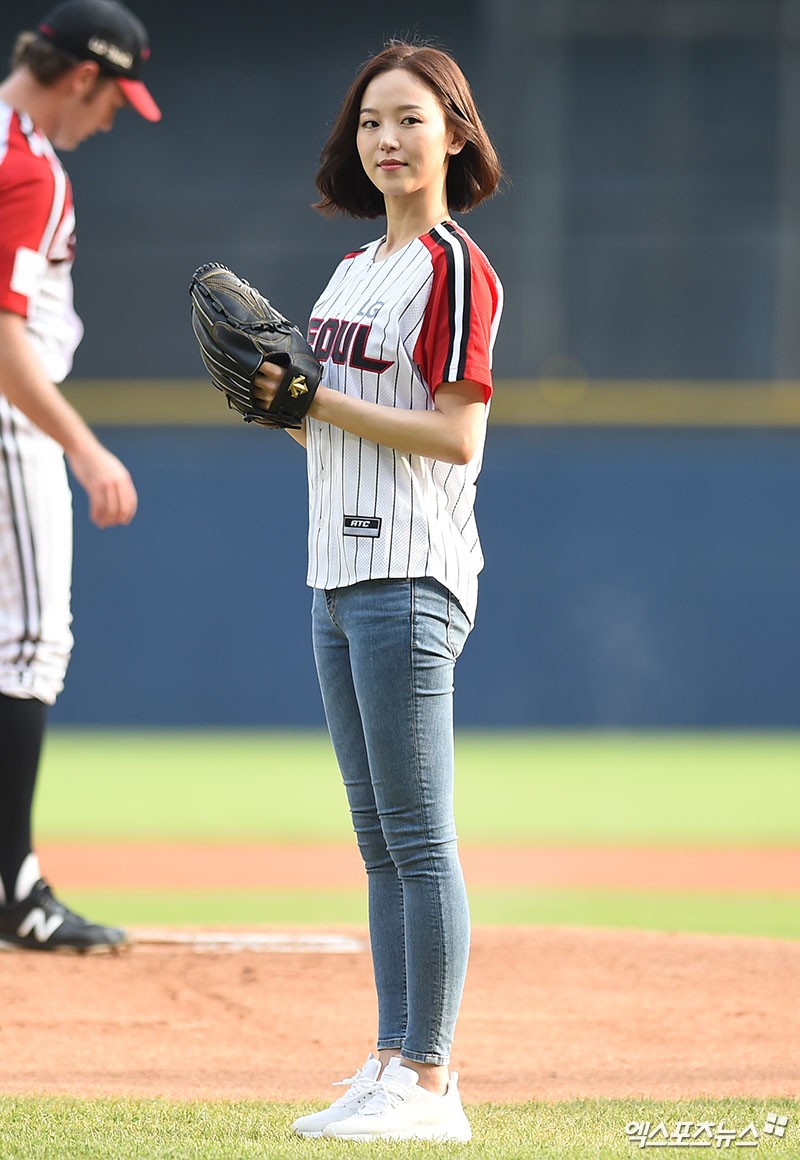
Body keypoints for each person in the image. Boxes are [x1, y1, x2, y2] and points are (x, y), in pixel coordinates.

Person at [256, 41, 503, 1142]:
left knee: (418, 834)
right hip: (334, 568)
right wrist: (278, 402)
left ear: (453, 133)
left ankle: (433, 1082)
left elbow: (455, 436)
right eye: (369, 122)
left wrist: (313, 400)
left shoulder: (454, 268)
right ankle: (392, 1058)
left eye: (409, 119)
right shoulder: (354, 269)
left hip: (408, 569)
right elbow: (327, 424)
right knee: (378, 838)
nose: (386, 140)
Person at [0, 0, 160, 952]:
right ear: (84, 76)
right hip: (10, 421)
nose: (108, 121)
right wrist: (84, 447)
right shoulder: (27, 164)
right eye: (112, 101)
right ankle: (14, 887)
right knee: (27, 645)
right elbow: (4, 342)